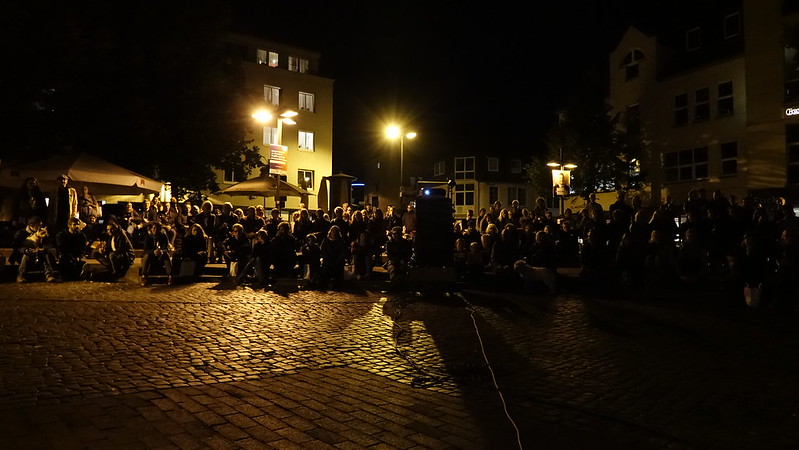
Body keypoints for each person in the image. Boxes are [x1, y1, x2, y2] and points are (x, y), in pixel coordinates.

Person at [13, 216, 58, 283]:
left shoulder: (42, 233)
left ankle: (49, 275)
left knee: (44, 254)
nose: (40, 228)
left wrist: (43, 249)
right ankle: (21, 275)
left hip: (39, 254)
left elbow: (48, 245)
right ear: (31, 226)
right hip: (24, 255)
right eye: (38, 226)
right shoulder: (21, 233)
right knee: (26, 255)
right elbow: (17, 247)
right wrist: (26, 250)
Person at [140, 222, 173, 286]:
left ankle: (170, 276)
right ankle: (143, 276)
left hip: (161, 254)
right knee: (146, 256)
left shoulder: (163, 236)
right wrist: (153, 252)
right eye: (154, 228)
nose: (155, 230)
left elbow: (166, 248)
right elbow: (146, 250)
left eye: (157, 228)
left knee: (166, 256)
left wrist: (162, 251)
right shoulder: (148, 237)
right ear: (151, 229)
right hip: (151, 255)